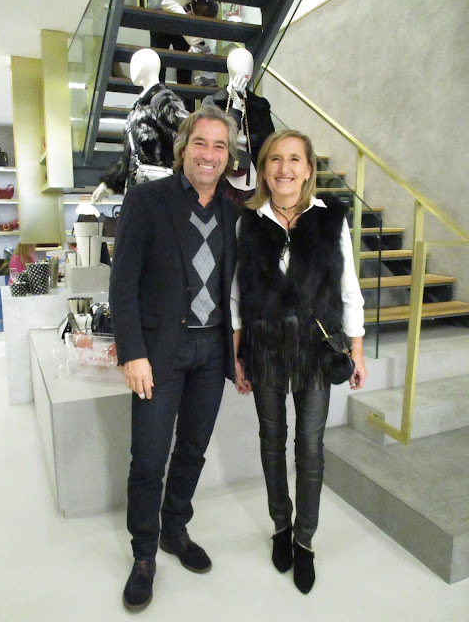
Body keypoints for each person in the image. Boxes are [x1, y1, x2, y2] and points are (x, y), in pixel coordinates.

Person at [109, 105, 240, 612]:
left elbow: (237, 290)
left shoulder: (233, 212)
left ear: (228, 157)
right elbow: (122, 284)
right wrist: (132, 353)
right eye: (200, 143)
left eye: (219, 146)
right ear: (183, 148)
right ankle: (144, 554)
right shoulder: (147, 200)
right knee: (148, 459)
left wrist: (240, 351)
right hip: (159, 353)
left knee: (192, 449)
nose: (209, 154)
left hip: (211, 352)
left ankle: (174, 529)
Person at [231, 129, 367, 594]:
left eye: (294, 159)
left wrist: (357, 351)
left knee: (310, 448)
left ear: (308, 169)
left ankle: (305, 540)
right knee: (272, 441)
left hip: (315, 350)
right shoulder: (248, 223)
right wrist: (237, 355)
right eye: (275, 158)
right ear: (264, 168)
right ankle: (280, 528)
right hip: (265, 347)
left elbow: (349, 290)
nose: (284, 168)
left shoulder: (330, 220)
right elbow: (237, 296)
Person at [92, 49, 188, 204]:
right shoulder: (142, 105)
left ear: (150, 66)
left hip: (160, 194)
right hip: (141, 191)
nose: (132, 68)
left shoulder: (164, 101)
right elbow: (132, 155)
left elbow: (187, 141)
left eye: (136, 63)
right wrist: (109, 183)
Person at [203, 48, 274, 205]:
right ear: (229, 66)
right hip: (220, 174)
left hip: (252, 174)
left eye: (249, 64)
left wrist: (246, 140)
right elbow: (213, 139)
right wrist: (235, 106)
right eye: (240, 63)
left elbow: (270, 140)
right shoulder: (212, 103)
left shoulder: (260, 105)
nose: (245, 68)